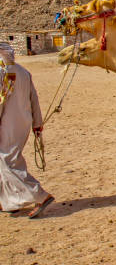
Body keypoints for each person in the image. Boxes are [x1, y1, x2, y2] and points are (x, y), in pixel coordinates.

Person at [0, 42, 54, 218]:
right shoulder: (23, 71)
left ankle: (40, 195)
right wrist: (37, 123)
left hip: (7, 123)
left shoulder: (3, 72)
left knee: (7, 161)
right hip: (23, 122)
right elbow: (34, 99)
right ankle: (9, 201)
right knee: (9, 161)